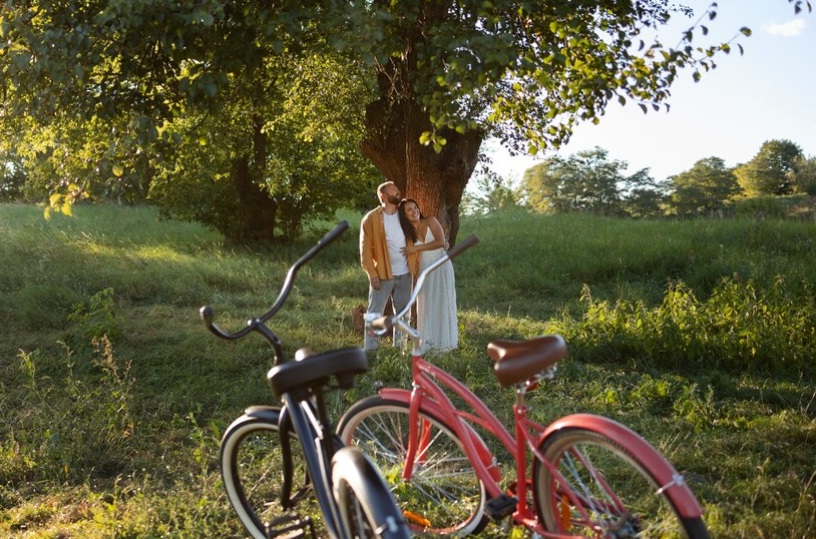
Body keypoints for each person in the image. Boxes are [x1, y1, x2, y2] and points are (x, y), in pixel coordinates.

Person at [360, 181, 419, 351]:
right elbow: (365, 250)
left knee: (403, 316)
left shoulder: (404, 214)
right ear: (384, 196)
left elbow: (421, 225)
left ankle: (399, 350)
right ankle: (370, 351)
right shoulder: (371, 218)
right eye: (394, 189)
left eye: (397, 188)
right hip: (383, 274)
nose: (398, 191)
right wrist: (372, 274)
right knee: (374, 315)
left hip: (406, 274)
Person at [398, 198, 458, 352]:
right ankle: (428, 342)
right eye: (409, 210)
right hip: (425, 269)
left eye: (415, 207)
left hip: (441, 264)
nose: (414, 211)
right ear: (404, 215)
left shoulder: (430, 220)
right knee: (426, 303)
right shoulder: (408, 234)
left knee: (443, 301)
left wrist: (417, 248)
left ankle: (445, 342)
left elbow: (440, 241)